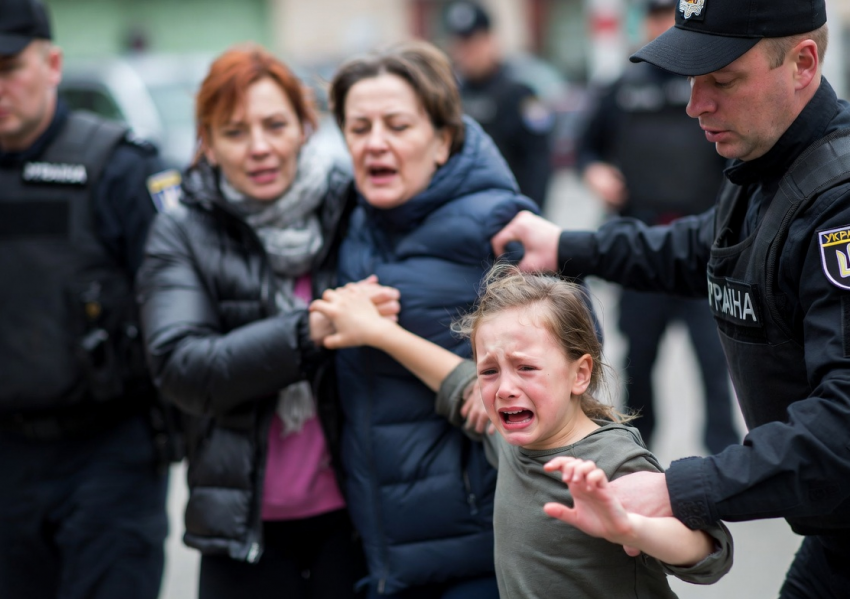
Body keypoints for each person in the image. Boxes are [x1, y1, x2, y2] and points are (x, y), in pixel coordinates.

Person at [492, 0, 850, 595]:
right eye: (692, 80)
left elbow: (843, 422)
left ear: (802, 64)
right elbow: (696, 248)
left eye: (722, 80)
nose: (695, 104)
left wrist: (674, 489)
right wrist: (564, 245)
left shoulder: (838, 201)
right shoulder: (765, 166)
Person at [136, 44, 399, 599]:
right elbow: (182, 367)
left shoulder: (350, 207)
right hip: (242, 532)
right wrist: (310, 331)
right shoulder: (182, 230)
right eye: (234, 132)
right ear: (205, 141)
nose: (259, 148)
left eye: (275, 125)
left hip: (353, 520)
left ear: (306, 127)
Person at [310, 264, 733, 598]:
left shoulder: (611, 460)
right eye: (490, 371)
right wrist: (380, 333)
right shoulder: (511, 438)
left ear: (579, 374)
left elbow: (709, 551)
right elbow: (457, 379)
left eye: (526, 367)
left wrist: (628, 528)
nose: (505, 387)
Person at [326, 40, 538, 597]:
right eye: (358, 127)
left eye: (397, 125)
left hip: (477, 552)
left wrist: (493, 376)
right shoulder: (346, 220)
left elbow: (566, 356)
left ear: (443, 139)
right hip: (380, 553)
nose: (375, 143)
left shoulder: (498, 224)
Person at [0, 1, 177, 598]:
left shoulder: (118, 167)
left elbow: (175, 306)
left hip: (107, 458)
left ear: (52, 63)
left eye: (8, 67)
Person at [576, 0, 738, 454]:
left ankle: (726, 454)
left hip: (704, 242)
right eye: (652, 14)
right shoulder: (621, 87)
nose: (659, 23)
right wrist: (595, 174)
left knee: (715, 359)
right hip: (640, 242)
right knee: (640, 359)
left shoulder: (711, 82)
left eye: (668, 13)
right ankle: (636, 452)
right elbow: (584, 148)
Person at [445, 1, 554, 208]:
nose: (466, 53)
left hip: (510, 208)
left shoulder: (519, 94)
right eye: (459, 45)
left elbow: (539, 162)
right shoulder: (452, 95)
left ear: (490, 40)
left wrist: (529, 212)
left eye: (473, 44)